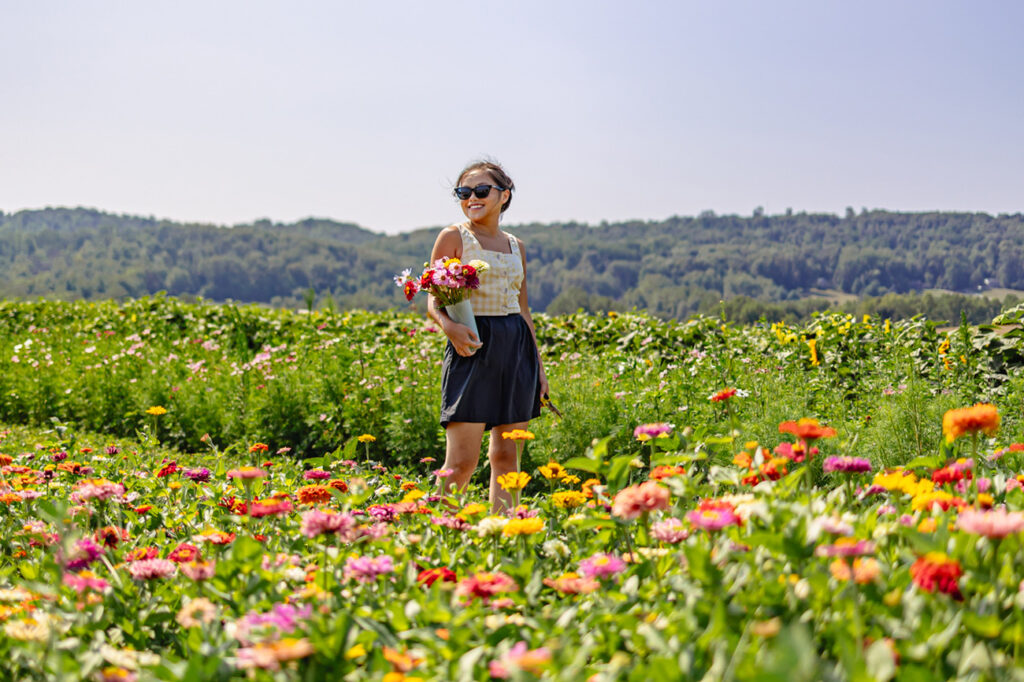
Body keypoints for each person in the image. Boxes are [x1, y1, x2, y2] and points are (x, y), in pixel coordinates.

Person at [426, 160, 548, 510]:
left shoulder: (516, 246)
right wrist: (449, 328)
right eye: (464, 193)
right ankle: (439, 533)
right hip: (472, 349)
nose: (472, 199)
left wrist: (538, 368)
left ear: (504, 195)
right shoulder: (452, 237)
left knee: (507, 459)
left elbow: (523, 310)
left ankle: (505, 537)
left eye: (481, 191)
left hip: (515, 349)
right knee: (461, 464)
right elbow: (433, 302)